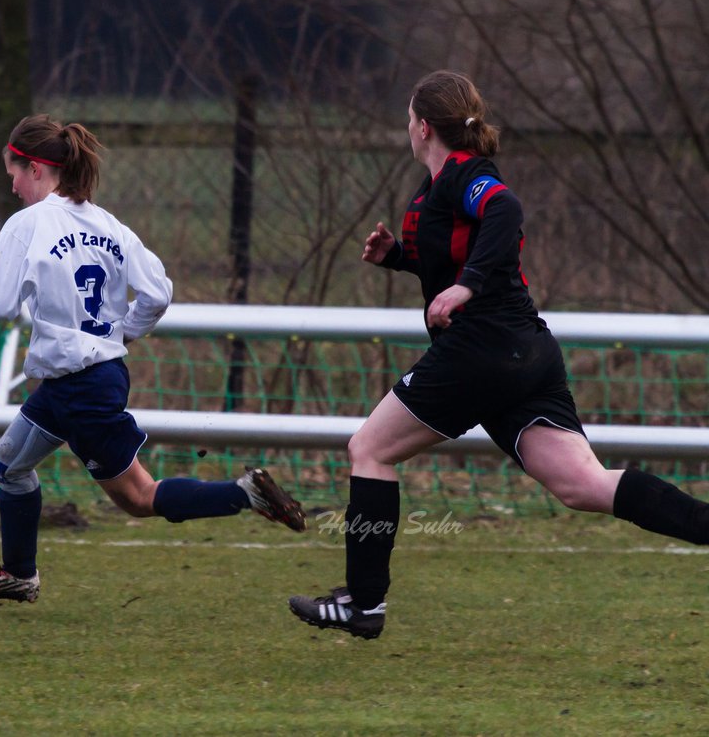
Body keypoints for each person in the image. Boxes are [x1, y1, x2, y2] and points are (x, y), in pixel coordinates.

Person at [287, 70, 709, 640]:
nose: (406, 129)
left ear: (425, 126)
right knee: (582, 484)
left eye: (409, 119)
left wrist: (466, 288)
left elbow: (505, 213)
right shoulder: (437, 184)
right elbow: (458, 253)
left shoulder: (468, 175)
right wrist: (399, 258)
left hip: (483, 349)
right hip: (523, 353)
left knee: (369, 449)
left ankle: (364, 605)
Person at [0, 113, 306, 603]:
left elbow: (0, 302)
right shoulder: (108, 224)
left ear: (34, 169)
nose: (12, 188)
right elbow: (157, 292)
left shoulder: (27, 224)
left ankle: (245, 493)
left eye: (12, 175)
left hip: (79, 388)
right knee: (9, 465)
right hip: (88, 378)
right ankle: (20, 575)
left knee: (138, 498)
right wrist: (119, 334)